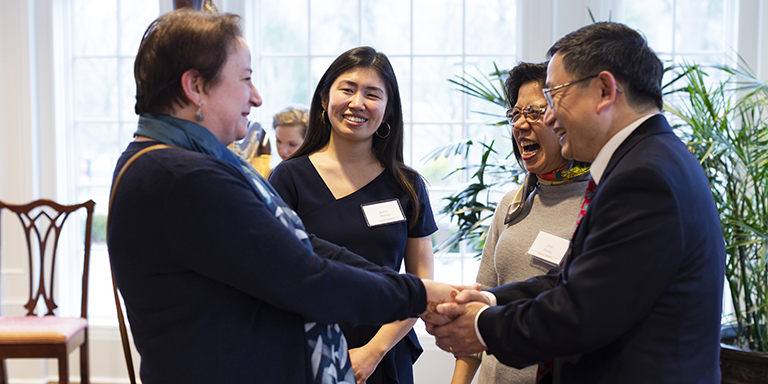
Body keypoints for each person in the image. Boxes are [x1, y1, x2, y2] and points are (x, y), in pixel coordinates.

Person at [107, 10, 455, 384]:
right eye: (245, 79)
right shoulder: (182, 176)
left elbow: (305, 247)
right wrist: (416, 295)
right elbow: (306, 276)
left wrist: (419, 291)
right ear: (195, 87)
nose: (256, 98)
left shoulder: (173, 163)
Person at [428, 22, 725, 384]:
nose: (549, 116)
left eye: (554, 97)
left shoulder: (645, 177)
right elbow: (575, 283)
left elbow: (582, 312)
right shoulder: (650, 160)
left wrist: (481, 326)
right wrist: (489, 302)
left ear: (604, 90)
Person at [269, 46, 436, 384]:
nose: (357, 103)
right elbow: (274, 275)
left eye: (372, 94)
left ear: (388, 110)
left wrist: (373, 351)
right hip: (309, 352)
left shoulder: (407, 185)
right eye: (347, 89)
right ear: (323, 98)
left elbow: (422, 284)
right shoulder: (288, 178)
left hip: (385, 356)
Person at [450, 62, 590, 384]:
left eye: (534, 113)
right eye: (515, 115)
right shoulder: (511, 203)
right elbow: (480, 302)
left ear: (563, 118)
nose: (521, 125)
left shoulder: (598, 206)